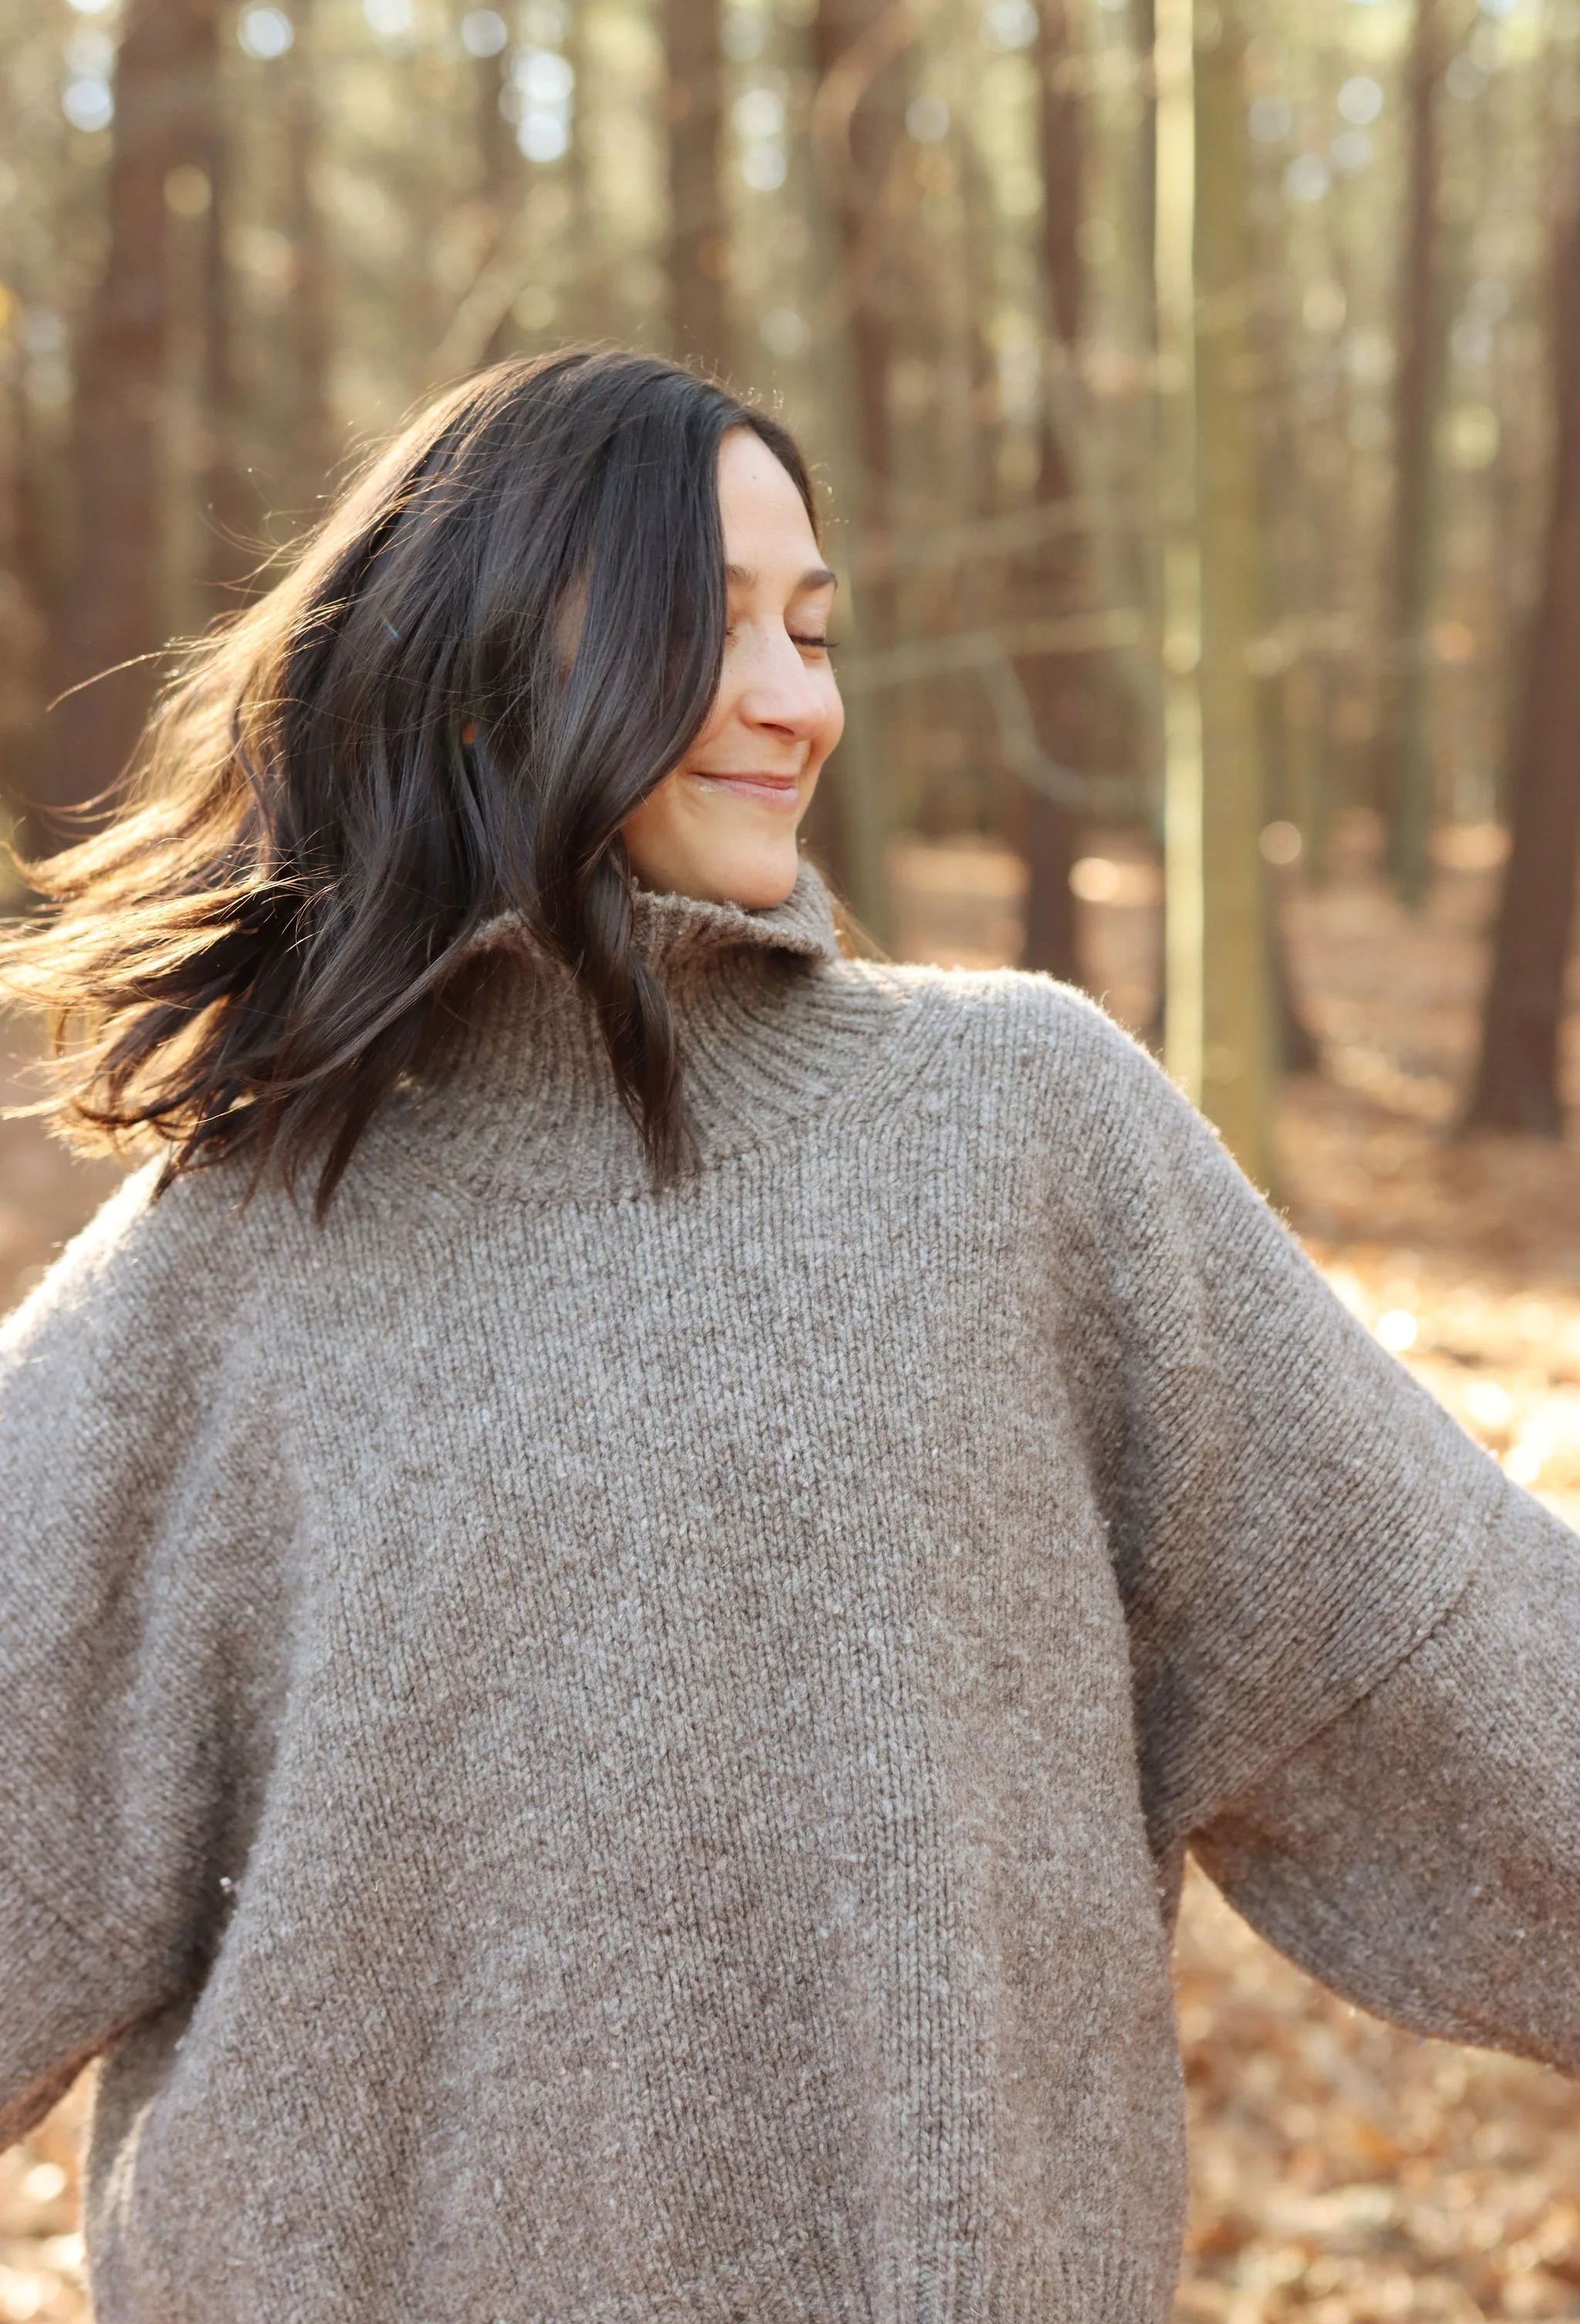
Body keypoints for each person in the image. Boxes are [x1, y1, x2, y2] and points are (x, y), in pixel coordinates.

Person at [0, 346, 1575, 2324]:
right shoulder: (240, 1237)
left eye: (813, 632)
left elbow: (1457, 1665)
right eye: (711, 622)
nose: (795, 699)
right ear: (490, 652)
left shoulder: (1018, 1134)